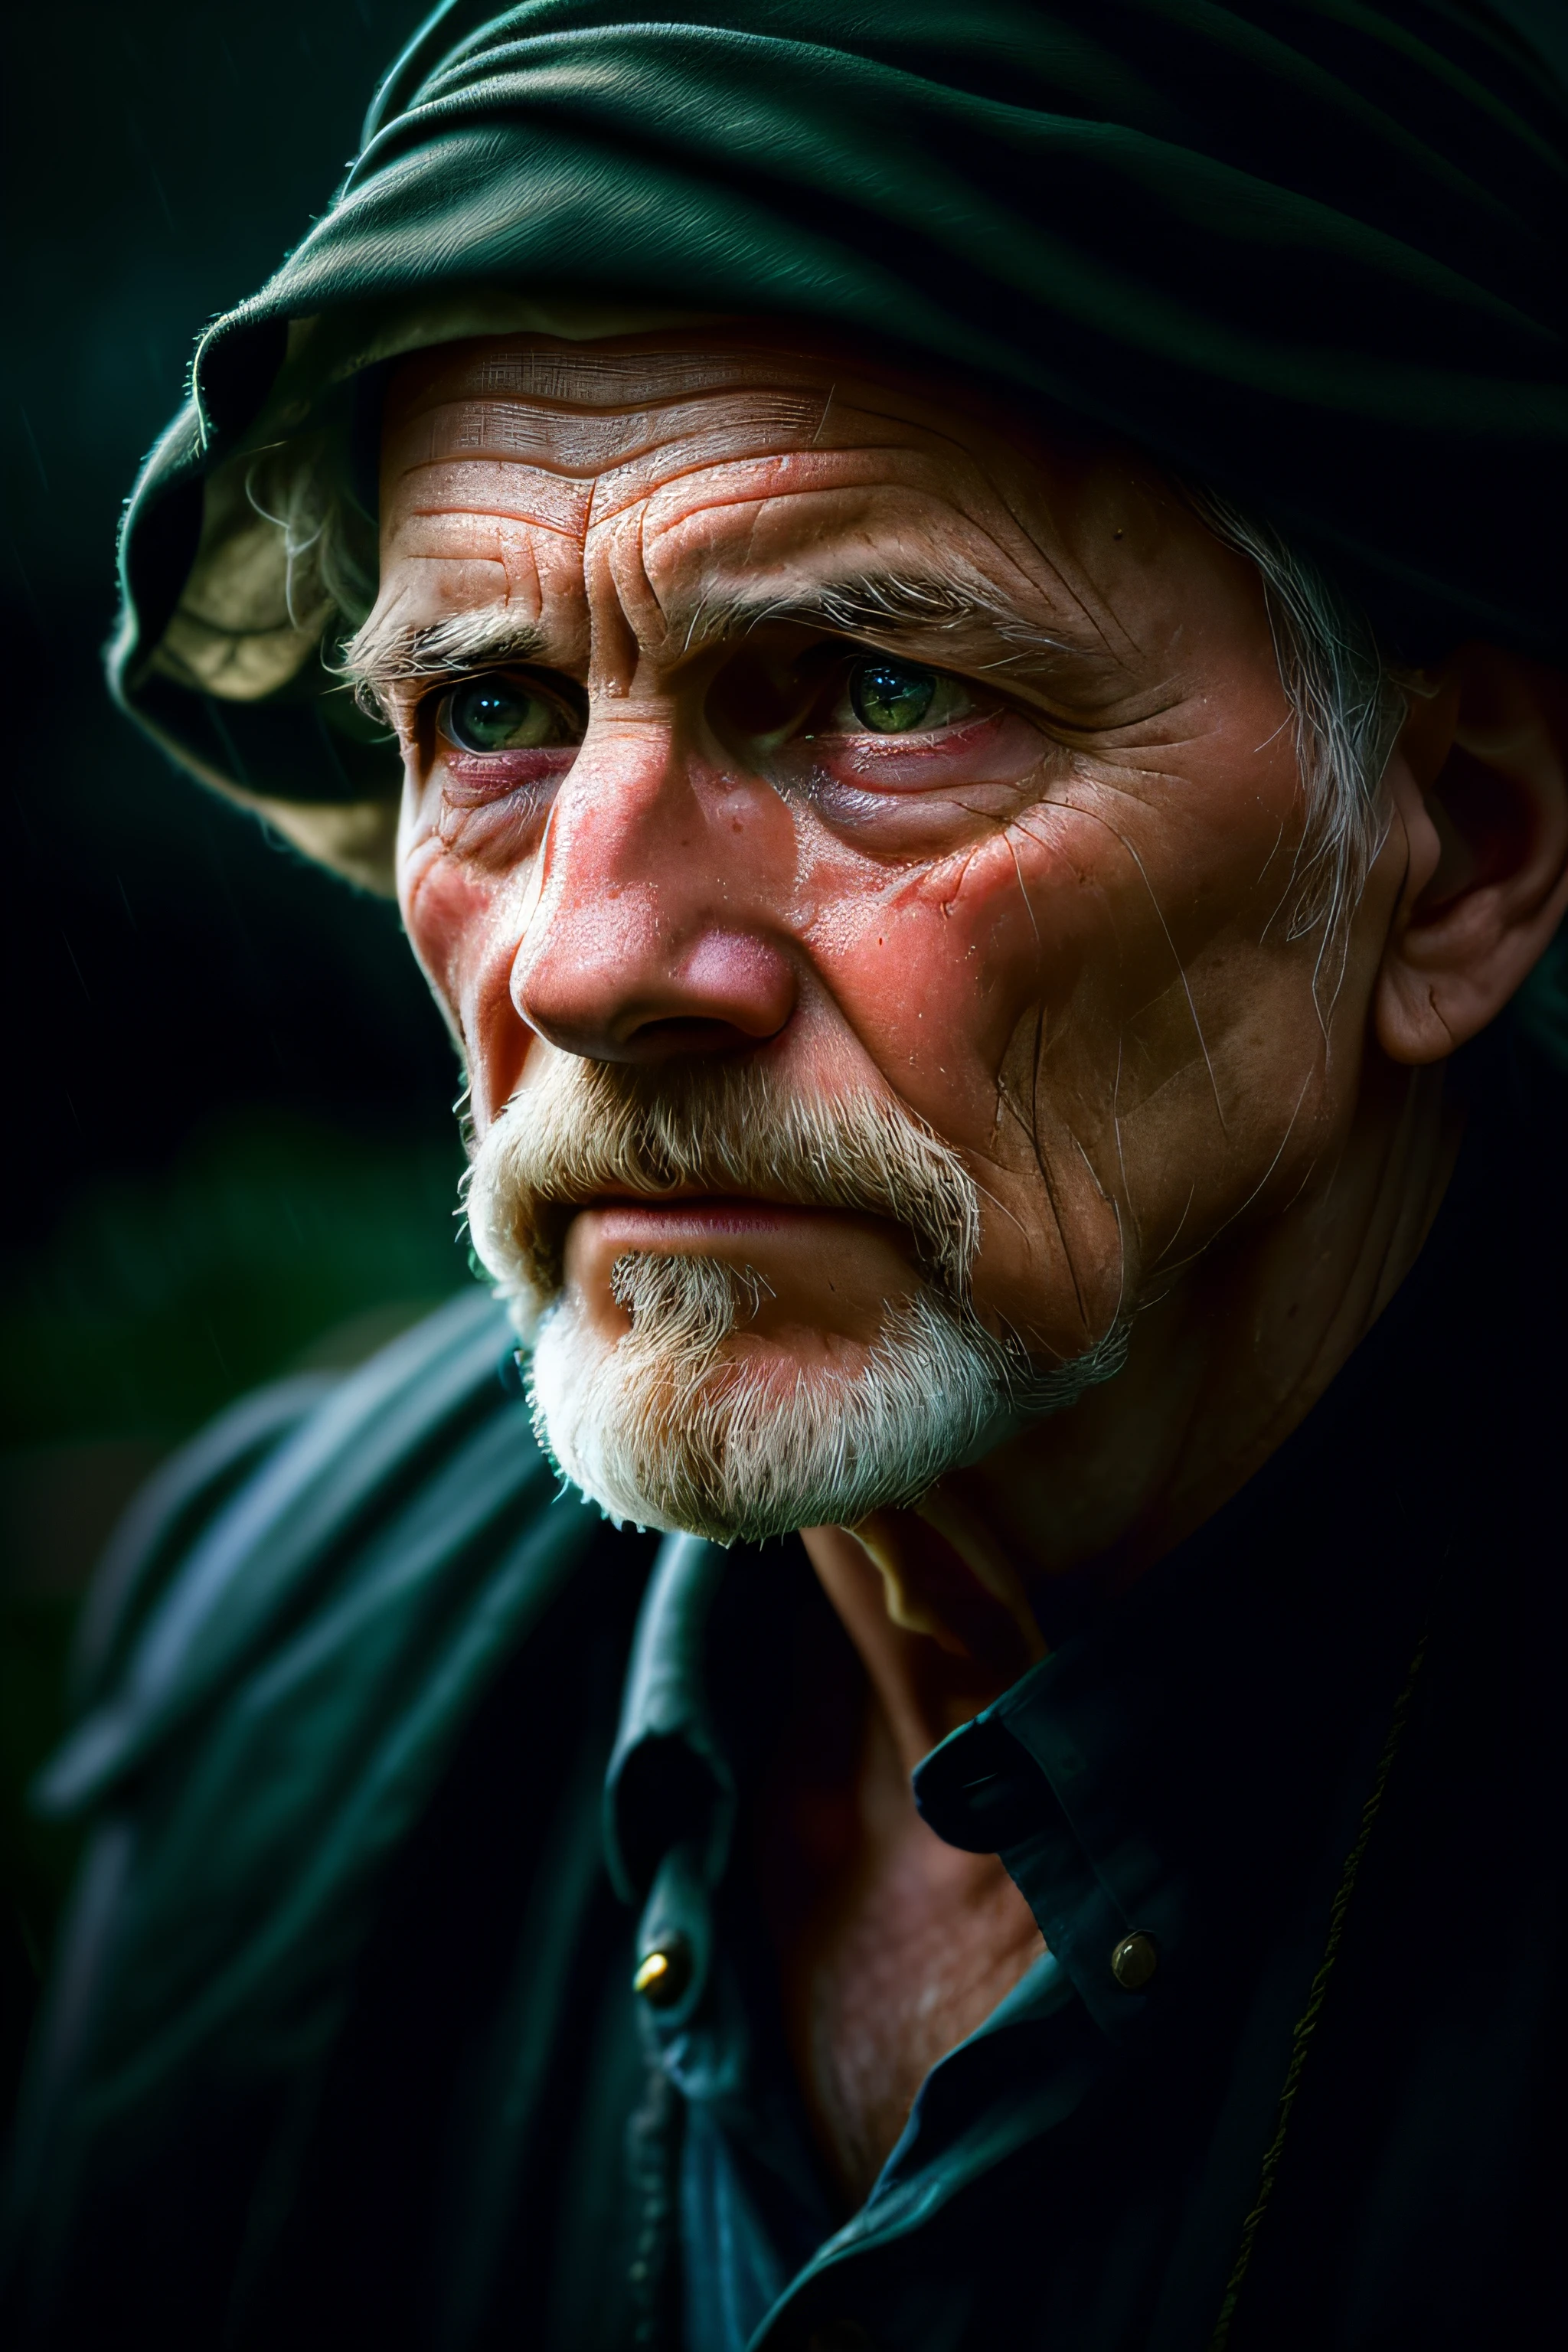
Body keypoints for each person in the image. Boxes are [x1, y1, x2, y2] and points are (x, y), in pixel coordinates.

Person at [5, 5, 1566, 2347]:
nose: (602, 954)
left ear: (1453, 851)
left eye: (875, 693)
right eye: (495, 716)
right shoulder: (277, 1658)